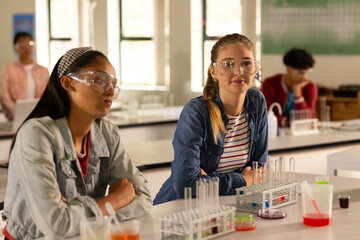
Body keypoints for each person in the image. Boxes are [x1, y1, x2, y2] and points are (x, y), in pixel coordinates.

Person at [2, 47, 152, 239]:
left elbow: (144, 198)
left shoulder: (107, 133)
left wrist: (77, 215)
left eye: (114, 83)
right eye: (99, 80)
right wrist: (114, 200)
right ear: (68, 83)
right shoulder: (36, 134)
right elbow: (56, 226)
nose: (111, 90)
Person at [153, 33, 268, 205]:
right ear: (213, 71)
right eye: (228, 64)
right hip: (179, 209)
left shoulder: (256, 102)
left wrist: (209, 180)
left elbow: (259, 172)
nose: (238, 71)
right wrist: (241, 181)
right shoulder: (196, 112)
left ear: (255, 69)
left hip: (225, 207)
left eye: (246, 63)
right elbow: (186, 185)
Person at [261, 47, 318, 126]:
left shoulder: (310, 87)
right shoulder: (270, 83)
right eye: (300, 73)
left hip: (301, 133)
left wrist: (298, 94)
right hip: (275, 132)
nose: (305, 78)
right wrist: (286, 123)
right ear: (288, 69)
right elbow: (264, 115)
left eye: (307, 73)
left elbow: (308, 119)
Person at [0, 31, 49, 121]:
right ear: (15, 48)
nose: (26, 48)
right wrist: (17, 113)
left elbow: (48, 94)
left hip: (38, 117)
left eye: (30, 43)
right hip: (15, 118)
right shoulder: (9, 69)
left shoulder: (43, 70)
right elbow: (4, 96)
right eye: (21, 45)